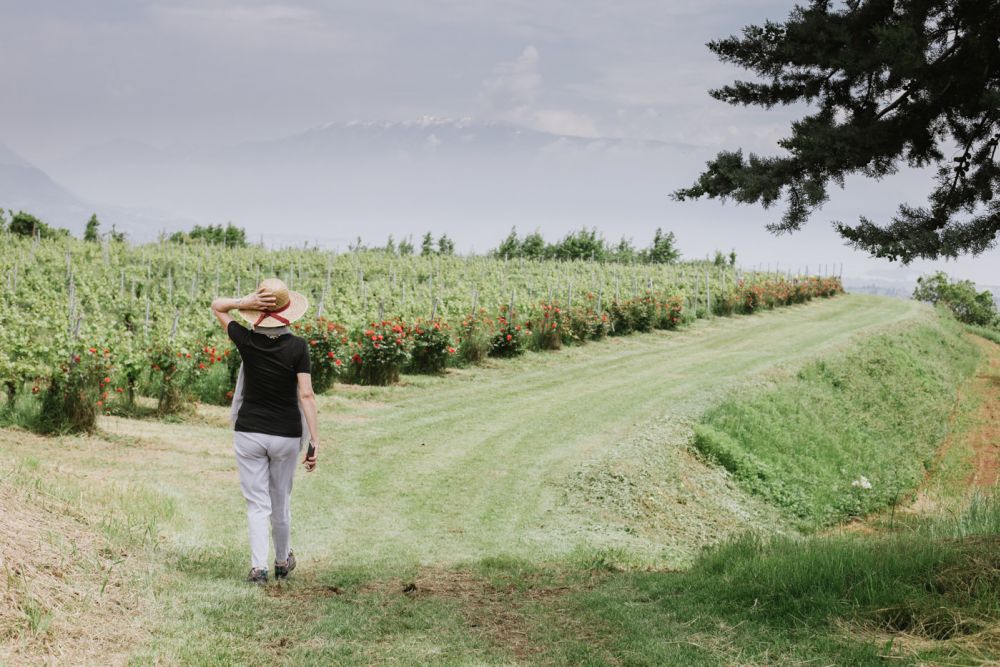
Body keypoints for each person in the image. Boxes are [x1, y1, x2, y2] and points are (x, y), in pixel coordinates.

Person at [211, 278, 320, 584]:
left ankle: (258, 568)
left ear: (257, 310)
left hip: (249, 432)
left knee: (257, 503)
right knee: (280, 501)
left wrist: (242, 302)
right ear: (289, 310)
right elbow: (306, 395)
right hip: (285, 434)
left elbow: (217, 306)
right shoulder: (298, 348)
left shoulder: (246, 340)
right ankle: (283, 562)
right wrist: (314, 440)